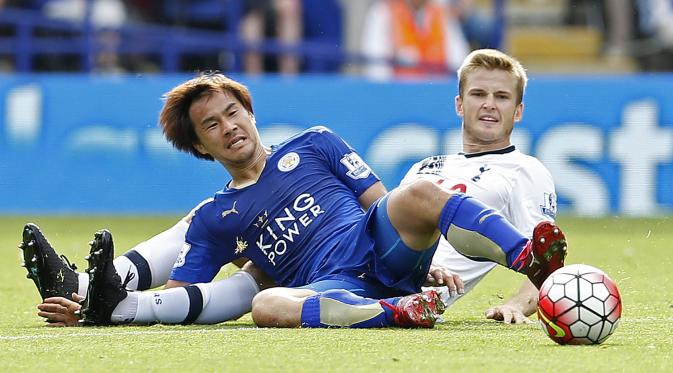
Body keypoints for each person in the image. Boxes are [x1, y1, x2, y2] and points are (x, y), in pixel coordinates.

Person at [28, 51, 562, 327]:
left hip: (377, 246)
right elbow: (178, 294)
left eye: (233, 112)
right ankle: (397, 314)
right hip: (334, 285)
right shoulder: (217, 217)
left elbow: (380, 202)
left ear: (251, 112)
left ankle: (526, 257)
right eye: (211, 125)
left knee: (416, 192)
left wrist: (424, 258)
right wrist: (108, 308)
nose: (229, 126)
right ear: (201, 147)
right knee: (267, 307)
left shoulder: (315, 143)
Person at [406, 48, 558, 323]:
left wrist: (517, 304)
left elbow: (546, 260)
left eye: (501, 97)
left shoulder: (523, 170)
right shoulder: (424, 166)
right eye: (478, 94)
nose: (489, 104)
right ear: (459, 105)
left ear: (518, 111)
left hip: (410, 297)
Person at [360, 0, 470, 80]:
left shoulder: (442, 12)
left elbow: (459, 61)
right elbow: (376, 70)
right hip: (398, 94)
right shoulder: (383, 12)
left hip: (436, 94)